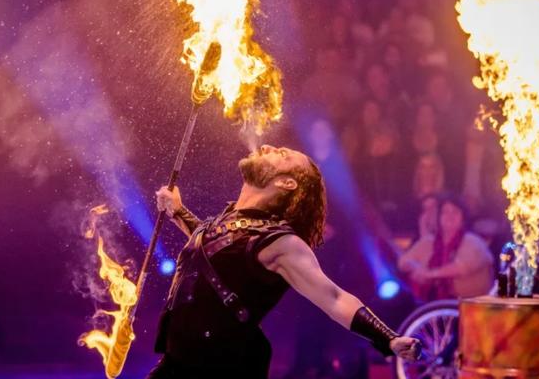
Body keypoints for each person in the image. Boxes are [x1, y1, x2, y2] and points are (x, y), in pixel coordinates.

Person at [149, 145, 421, 378]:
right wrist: (178, 212)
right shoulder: (229, 220)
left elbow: (335, 298)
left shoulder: (281, 242)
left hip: (220, 370)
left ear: (286, 183)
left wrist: (389, 338)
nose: (266, 146)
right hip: (176, 366)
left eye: (280, 154)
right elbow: (212, 250)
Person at [398, 194, 494, 301]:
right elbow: (403, 262)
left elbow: (461, 268)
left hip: (471, 309)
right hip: (430, 308)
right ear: (439, 218)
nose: (450, 216)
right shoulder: (428, 242)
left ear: (463, 219)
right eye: (445, 212)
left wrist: (429, 274)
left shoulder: (473, 241)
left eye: (455, 212)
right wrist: (416, 267)